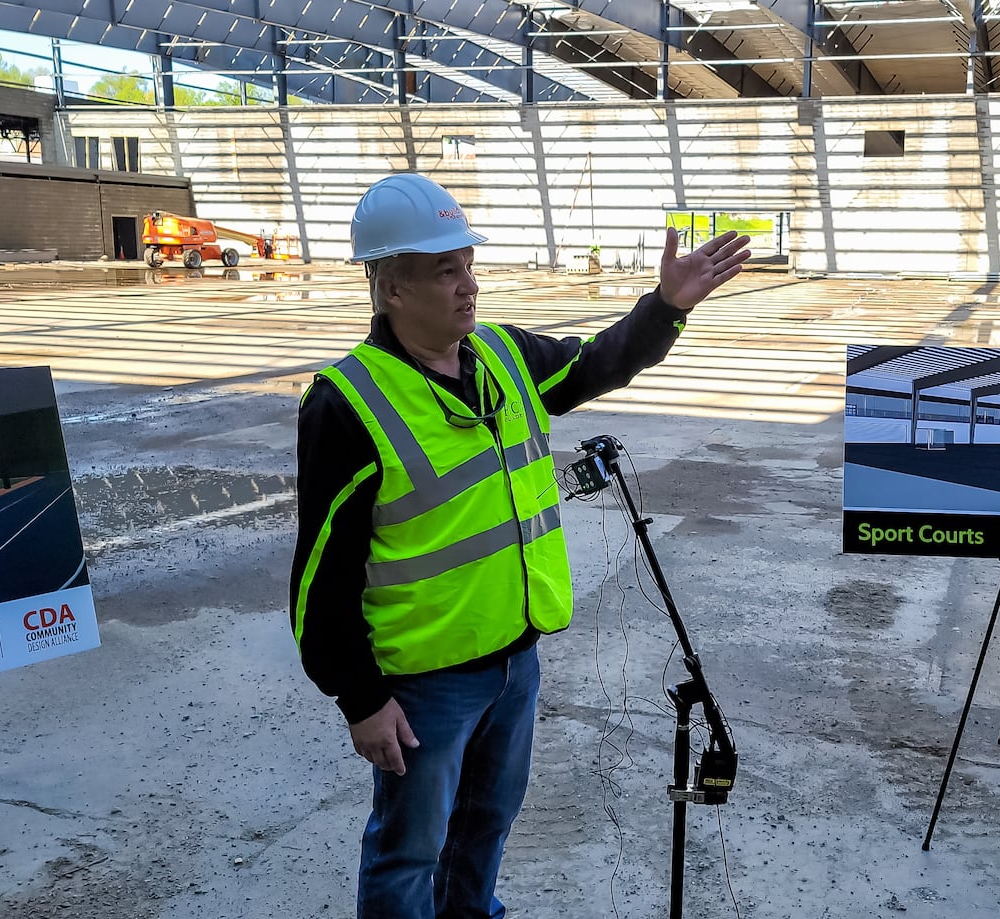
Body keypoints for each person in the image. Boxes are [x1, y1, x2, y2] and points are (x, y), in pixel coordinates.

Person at [288, 172, 751, 919]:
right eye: (446, 270)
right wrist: (361, 698)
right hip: (425, 685)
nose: (468, 286)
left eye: (468, 264)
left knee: (485, 826)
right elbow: (320, 582)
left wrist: (665, 308)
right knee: (408, 852)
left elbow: (596, 363)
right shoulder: (347, 403)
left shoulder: (502, 355)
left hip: (515, 660)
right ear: (391, 287)